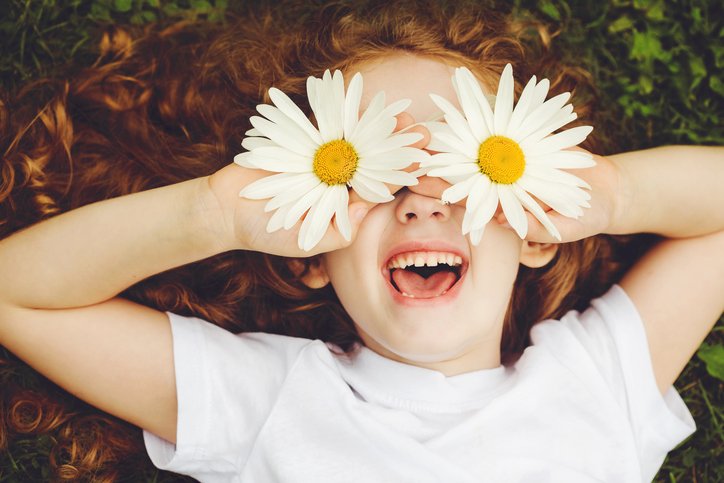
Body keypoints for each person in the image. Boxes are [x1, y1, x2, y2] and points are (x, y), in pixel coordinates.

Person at [0, 1, 722, 481]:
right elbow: (16, 296)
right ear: (310, 251)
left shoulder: (597, 378)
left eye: (461, 164)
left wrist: (612, 195)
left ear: (534, 229)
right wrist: (213, 213)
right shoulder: (268, 399)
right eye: (369, 177)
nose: (418, 199)